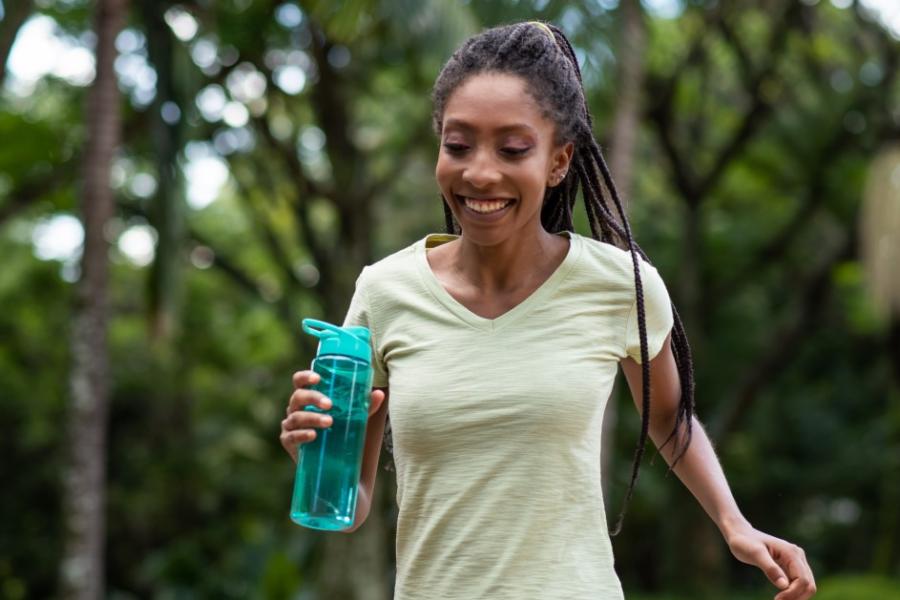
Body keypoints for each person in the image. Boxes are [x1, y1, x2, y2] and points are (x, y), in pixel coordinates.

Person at [280, 21, 816, 600]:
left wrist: (733, 524)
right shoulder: (384, 293)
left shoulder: (619, 284)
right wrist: (316, 458)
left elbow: (668, 419)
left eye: (513, 149)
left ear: (559, 161)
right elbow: (353, 505)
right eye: (457, 145)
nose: (480, 172)